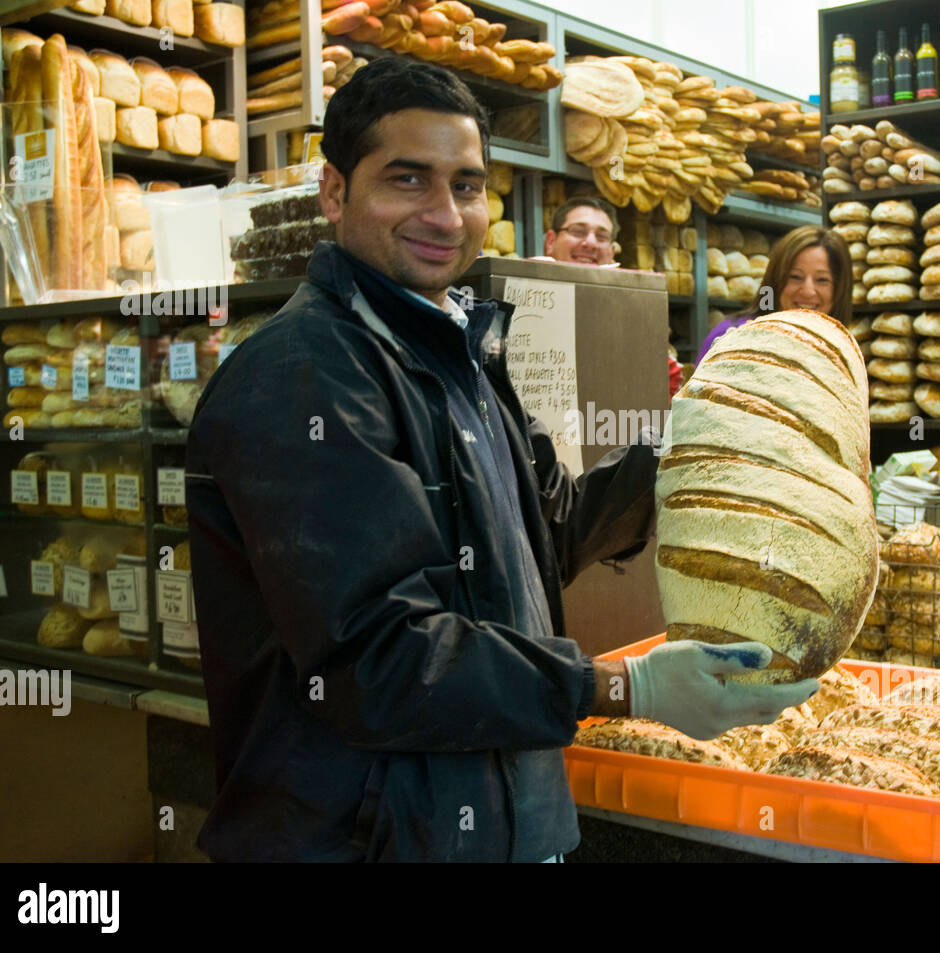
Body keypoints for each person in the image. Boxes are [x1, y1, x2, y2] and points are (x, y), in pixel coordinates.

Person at [185, 57, 817, 862]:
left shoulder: (463, 355)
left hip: (497, 824)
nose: (446, 214)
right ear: (335, 192)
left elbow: (547, 532)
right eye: (408, 180)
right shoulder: (307, 375)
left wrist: (693, 448)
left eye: (468, 185)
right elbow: (378, 656)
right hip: (364, 840)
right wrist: (622, 687)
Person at [539, 196, 683, 399]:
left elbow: (669, 376)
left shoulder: (629, 309)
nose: (589, 242)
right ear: (551, 241)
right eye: (578, 231)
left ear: (612, 251)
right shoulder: (523, 297)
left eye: (601, 236)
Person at [694, 225, 853, 366]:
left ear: (839, 290)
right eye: (795, 277)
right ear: (774, 280)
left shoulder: (841, 352)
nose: (808, 291)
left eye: (822, 280)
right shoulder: (731, 337)